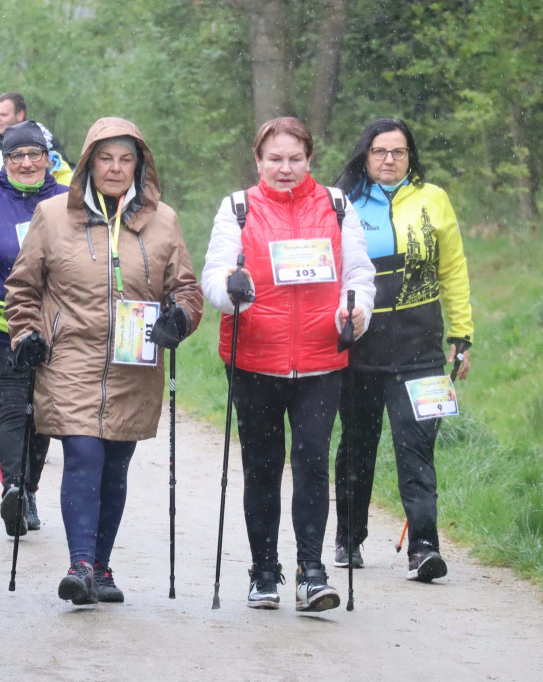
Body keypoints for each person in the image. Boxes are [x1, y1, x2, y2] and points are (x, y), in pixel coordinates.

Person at [4, 117, 203, 605]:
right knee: (83, 455)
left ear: (140, 164)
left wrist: (179, 319)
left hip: (135, 363)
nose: (115, 168)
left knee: (115, 465)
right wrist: (25, 333)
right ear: (89, 163)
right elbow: (23, 286)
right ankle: (81, 564)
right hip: (70, 356)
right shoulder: (52, 216)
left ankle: (102, 565)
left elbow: (187, 290)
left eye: (126, 158)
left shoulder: (164, 221)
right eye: (105, 158)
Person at [201, 116, 375, 613]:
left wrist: (356, 309)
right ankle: (263, 570)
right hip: (255, 358)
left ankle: (312, 570)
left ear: (309, 160)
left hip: (322, 360)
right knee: (262, 467)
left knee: (314, 463)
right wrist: (232, 289)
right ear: (258, 160)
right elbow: (216, 274)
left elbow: (358, 273)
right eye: (274, 159)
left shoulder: (337, 206)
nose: (285, 168)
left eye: (295, 158)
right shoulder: (237, 209)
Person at [331, 118, 474, 582]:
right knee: (357, 444)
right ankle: (349, 539)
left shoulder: (434, 199)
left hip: (422, 346)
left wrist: (462, 336)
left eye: (398, 151)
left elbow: (452, 269)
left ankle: (425, 547)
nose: (389, 159)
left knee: (417, 447)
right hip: (360, 346)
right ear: (365, 156)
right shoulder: (343, 202)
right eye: (380, 152)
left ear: (411, 155)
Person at [0, 120, 68, 537]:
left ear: (48, 159)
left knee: (41, 414)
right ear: (4, 161)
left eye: (35, 154)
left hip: (54, 332)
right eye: (17, 156)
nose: (26, 163)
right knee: (13, 409)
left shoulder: (70, 201)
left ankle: (28, 490)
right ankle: (13, 488)